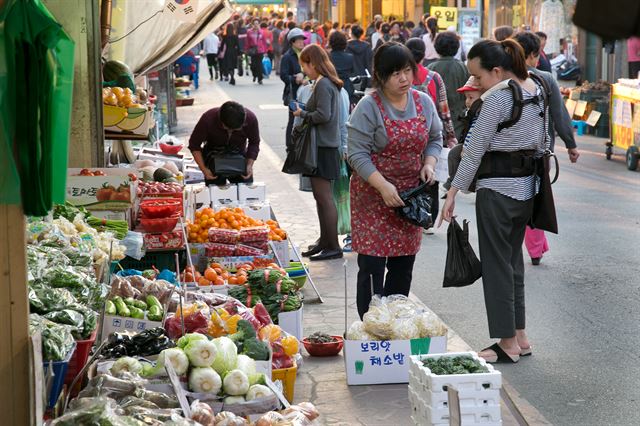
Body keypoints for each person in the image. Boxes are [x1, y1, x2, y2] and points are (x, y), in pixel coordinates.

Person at [439, 39, 550, 364]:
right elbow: (544, 139)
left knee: (498, 267)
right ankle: (520, 335)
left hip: (498, 193)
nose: (474, 83)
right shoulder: (535, 88)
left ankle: (506, 343)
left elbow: (474, 150)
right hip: (527, 191)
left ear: (497, 71)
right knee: (512, 263)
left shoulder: (499, 99)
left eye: (478, 76)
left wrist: (452, 192)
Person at [348, 42, 443, 319]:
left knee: (403, 265)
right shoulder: (369, 106)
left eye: (407, 71)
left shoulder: (423, 101)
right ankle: (370, 325)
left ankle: (396, 323)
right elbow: (356, 153)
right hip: (373, 197)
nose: (403, 79)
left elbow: (435, 138)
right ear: (380, 76)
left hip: (410, 198)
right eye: (395, 74)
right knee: (372, 267)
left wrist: (429, 163)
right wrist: (383, 186)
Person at [513, 31, 580, 265]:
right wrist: (571, 145)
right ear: (533, 55)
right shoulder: (545, 79)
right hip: (540, 151)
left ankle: (519, 247)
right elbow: (560, 115)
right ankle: (535, 249)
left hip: (506, 153)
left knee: (512, 198)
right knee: (536, 196)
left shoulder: (500, 78)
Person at [291, 44, 344, 262]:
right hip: (324, 146)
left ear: (312, 63)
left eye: (304, 65)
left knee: (324, 198)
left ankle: (332, 245)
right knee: (320, 197)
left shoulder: (324, 84)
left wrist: (301, 112)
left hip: (323, 148)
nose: (304, 69)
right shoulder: (325, 82)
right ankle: (325, 240)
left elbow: (323, 115)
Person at [406, 37, 458, 225]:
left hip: (408, 135)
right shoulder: (433, 77)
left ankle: (411, 211)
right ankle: (428, 218)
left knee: (411, 173)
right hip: (432, 134)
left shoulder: (402, 77)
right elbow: (444, 110)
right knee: (431, 176)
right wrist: (450, 135)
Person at [189, 101, 260, 186]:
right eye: (228, 129)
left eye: (235, 129)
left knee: (246, 190)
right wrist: (204, 169)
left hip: (238, 157)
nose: (231, 131)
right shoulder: (208, 119)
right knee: (215, 193)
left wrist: (249, 165)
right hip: (213, 158)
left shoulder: (250, 119)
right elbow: (194, 145)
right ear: (221, 121)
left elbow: (254, 142)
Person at [427, 31, 469, 141]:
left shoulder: (430, 68)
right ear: (456, 47)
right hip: (459, 120)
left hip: (436, 120)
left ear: (437, 47)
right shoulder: (463, 68)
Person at [280, 28, 307, 149]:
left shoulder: (306, 54)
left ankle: (301, 143)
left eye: (302, 40)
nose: (302, 42)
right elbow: (283, 75)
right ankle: (289, 145)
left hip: (306, 92)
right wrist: (295, 78)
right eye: (299, 40)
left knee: (304, 118)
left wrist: (306, 77)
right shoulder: (287, 56)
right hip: (293, 93)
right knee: (293, 118)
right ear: (292, 42)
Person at [329, 31, 355, 101]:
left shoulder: (327, 56)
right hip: (346, 86)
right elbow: (352, 71)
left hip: (331, 85)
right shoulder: (350, 57)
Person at [246, 19, 268, 84]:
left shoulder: (261, 32)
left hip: (260, 50)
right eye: (254, 23)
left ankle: (260, 78)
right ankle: (254, 75)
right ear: (252, 24)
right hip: (252, 50)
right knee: (253, 65)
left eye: (257, 23)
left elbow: (264, 41)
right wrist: (246, 49)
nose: (256, 25)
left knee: (259, 64)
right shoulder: (249, 32)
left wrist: (265, 51)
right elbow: (247, 41)